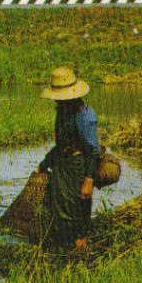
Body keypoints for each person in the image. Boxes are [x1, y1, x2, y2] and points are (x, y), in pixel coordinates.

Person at [37, 67, 99, 250]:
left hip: (78, 166)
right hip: (61, 164)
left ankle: (79, 252)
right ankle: (63, 251)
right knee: (59, 210)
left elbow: (92, 150)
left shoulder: (84, 115)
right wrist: (45, 163)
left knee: (76, 210)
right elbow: (61, 145)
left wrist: (88, 179)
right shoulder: (62, 111)